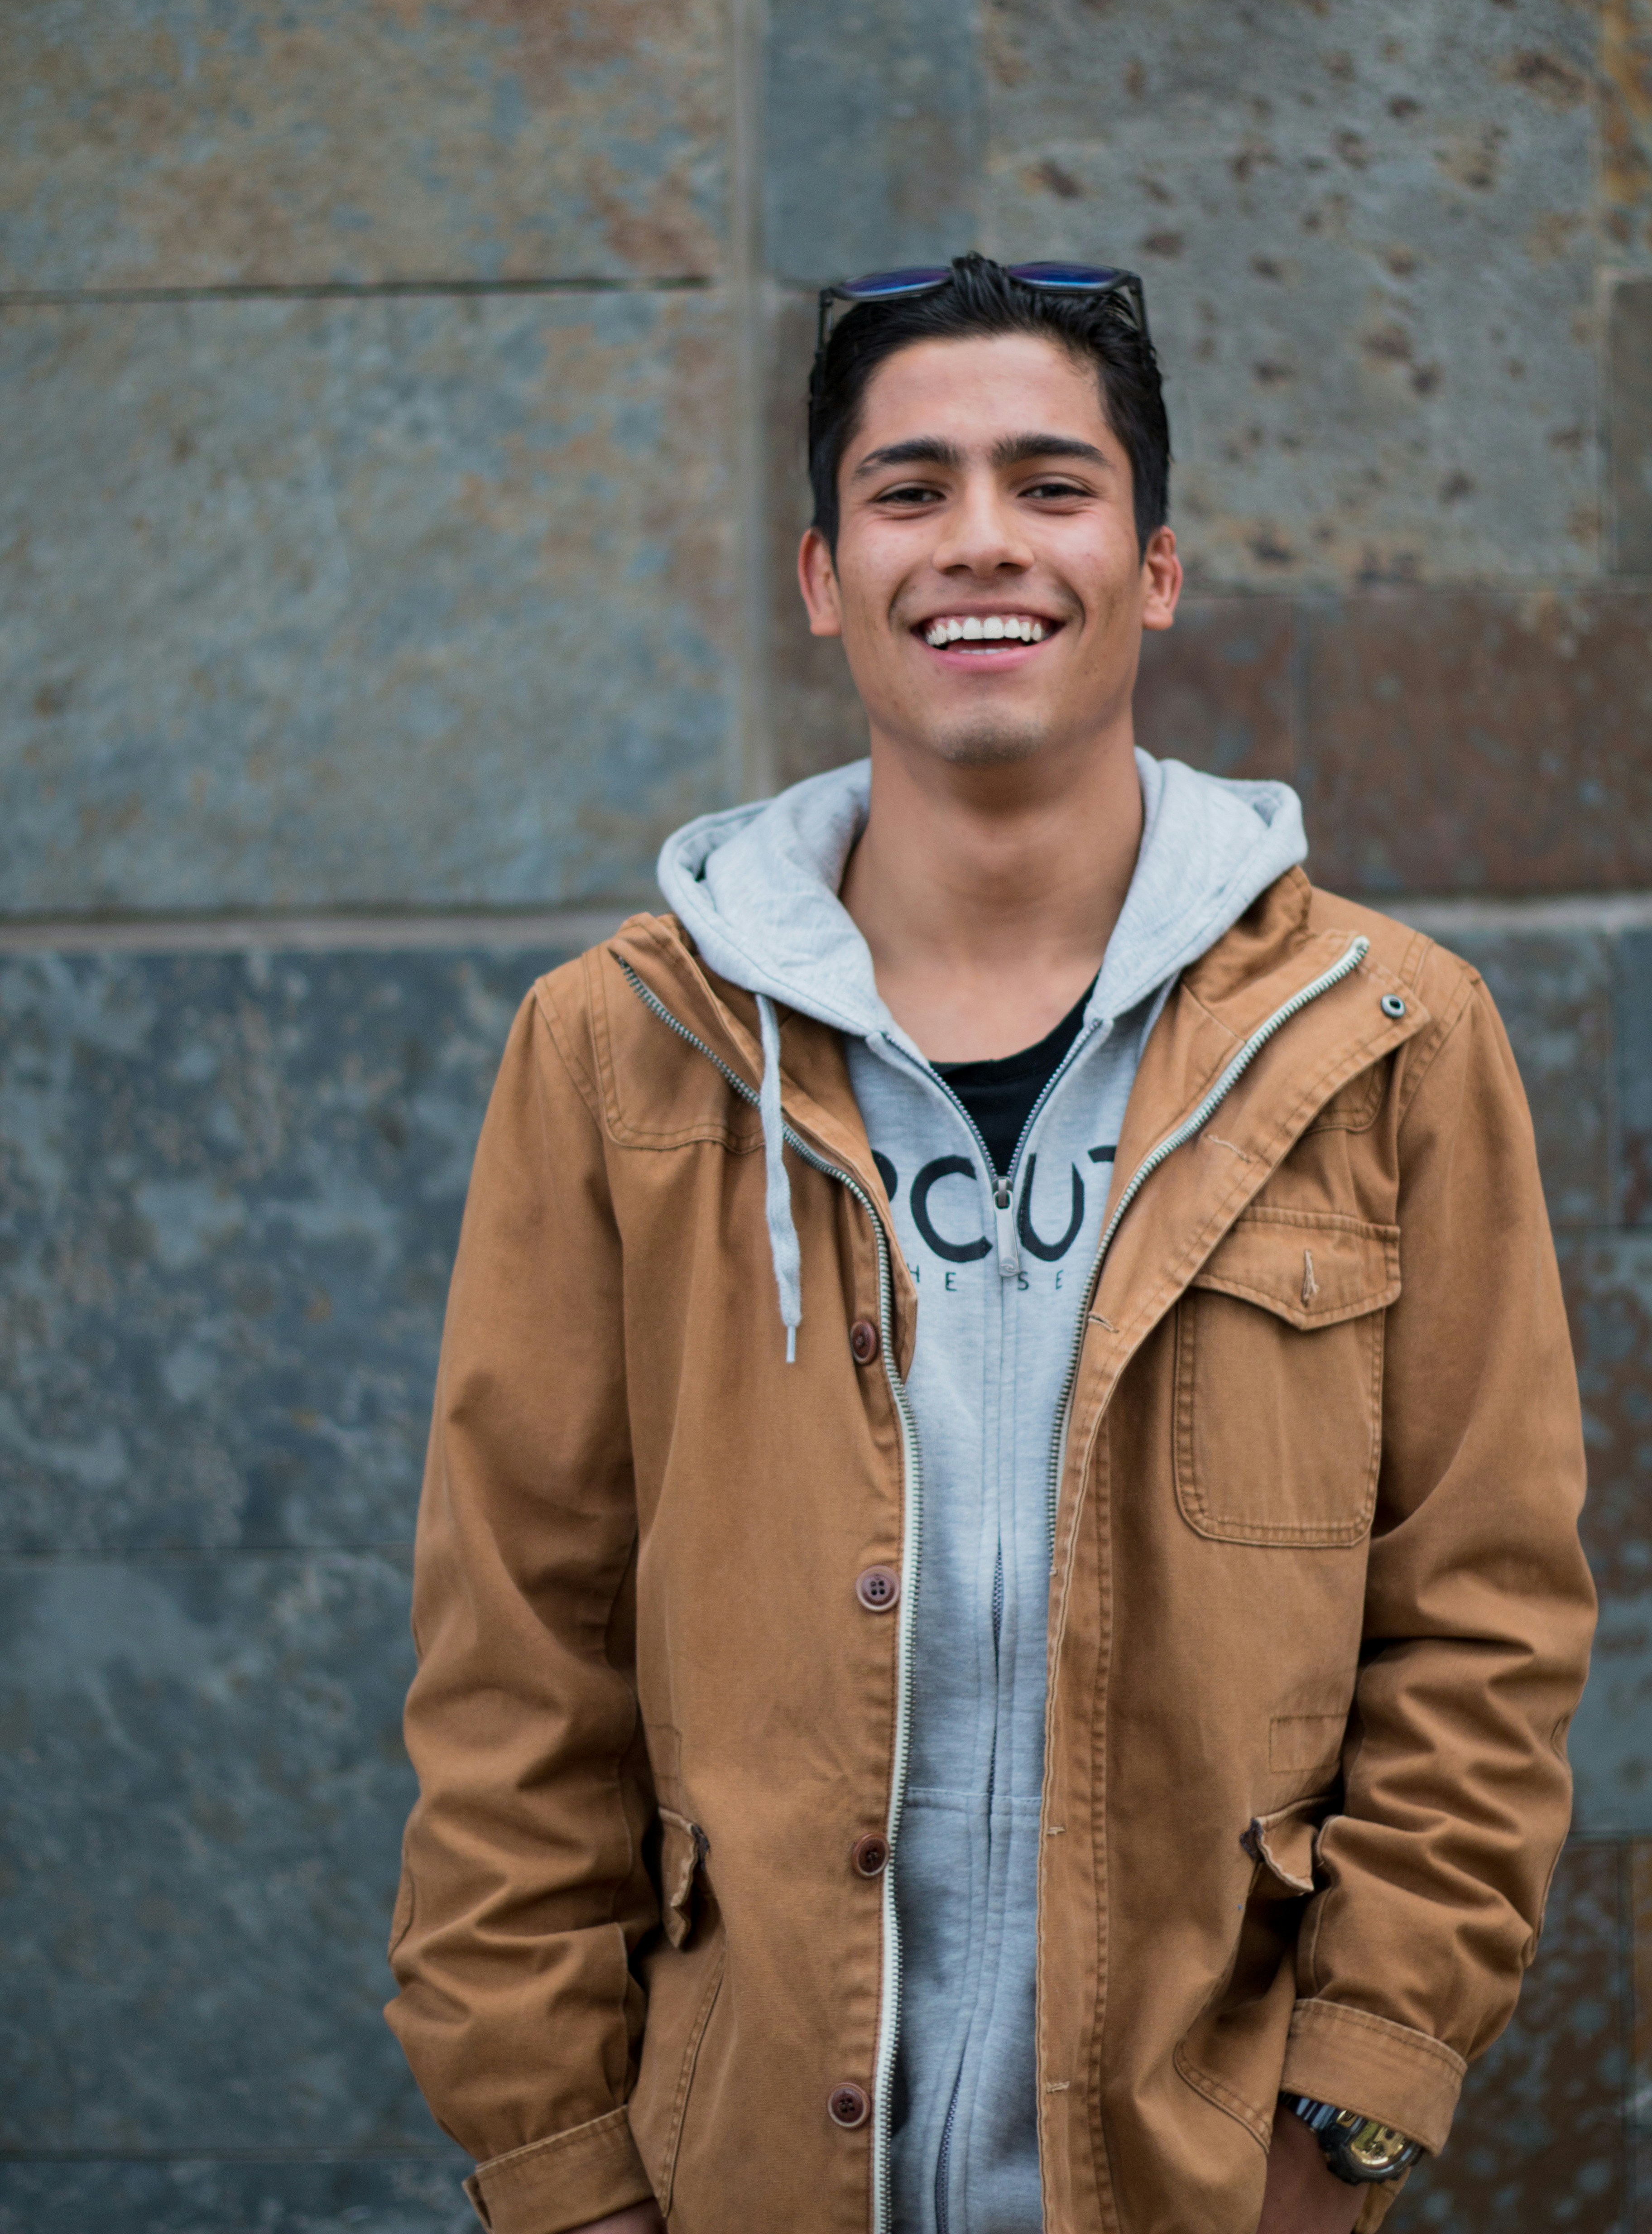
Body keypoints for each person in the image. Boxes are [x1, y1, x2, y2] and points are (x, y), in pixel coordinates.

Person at [385, 255, 1596, 2234]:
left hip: (1209, 2181)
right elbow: (518, 1663)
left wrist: (1348, 2124)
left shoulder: (1388, 1039)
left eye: (1051, 484)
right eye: (910, 488)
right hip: (736, 2174)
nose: (981, 545)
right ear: (819, 572)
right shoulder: (621, 1051)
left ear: (1159, 565)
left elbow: (1483, 1628)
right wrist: (559, 2169)